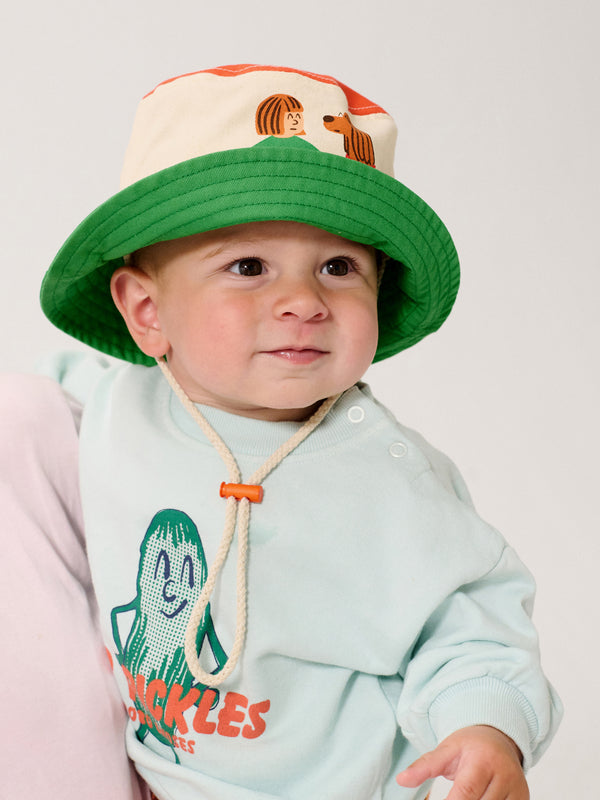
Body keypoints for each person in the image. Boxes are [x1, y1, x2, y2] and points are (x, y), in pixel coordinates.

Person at [30, 64, 561, 798]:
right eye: (249, 266)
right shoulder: (113, 404)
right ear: (147, 312)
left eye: (338, 267)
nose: (303, 301)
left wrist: (485, 728)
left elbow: (472, 625)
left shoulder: (390, 476)